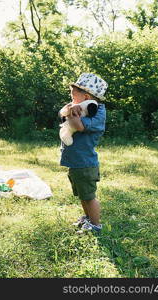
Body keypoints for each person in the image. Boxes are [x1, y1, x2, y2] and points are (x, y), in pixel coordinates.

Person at [59, 73, 107, 233]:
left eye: (73, 96)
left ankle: (95, 224)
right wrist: (69, 109)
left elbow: (78, 126)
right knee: (82, 195)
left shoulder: (97, 112)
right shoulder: (76, 108)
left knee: (89, 196)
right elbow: (61, 113)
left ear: (86, 97)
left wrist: (72, 112)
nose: (71, 100)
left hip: (85, 163)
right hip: (76, 163)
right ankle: (88, 218)